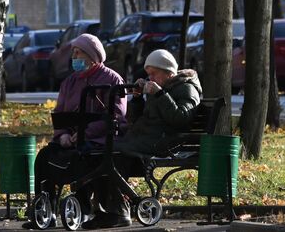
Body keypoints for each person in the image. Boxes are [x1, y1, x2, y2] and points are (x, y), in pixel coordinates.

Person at [81, 49, 202, 229]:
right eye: (148, 74)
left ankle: (118, 212)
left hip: (166, 141)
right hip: (148, 138)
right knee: (102, 151)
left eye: (154, 73)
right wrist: (138, 99)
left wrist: (160, 94)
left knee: (113, 152)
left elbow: (181, 119)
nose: (150, 78)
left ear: (168, 72)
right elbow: (139, 120)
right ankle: (104, 210)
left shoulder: (186, 88)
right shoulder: (163, 88)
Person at [23, 33, 127, 229]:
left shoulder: (111, 78)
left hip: (99, 139)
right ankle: (47, 211)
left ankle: (87, 208)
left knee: (83, 158)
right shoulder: (69, 82)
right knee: (44, 157)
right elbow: (60, 113)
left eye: (78, 53)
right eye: (73, 53)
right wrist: (61, 135)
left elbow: (116, 116)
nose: (74, 57)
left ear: (91, 56)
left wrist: (83, 133)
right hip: (70, 138)